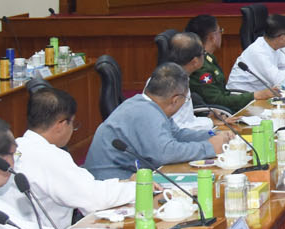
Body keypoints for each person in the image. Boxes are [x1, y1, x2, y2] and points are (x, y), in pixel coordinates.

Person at [83, 63, 234, 179]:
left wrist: (211, 135)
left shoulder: (148, 105)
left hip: (129, 177)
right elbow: (165, 153)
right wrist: (208, 147)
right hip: (112, 183)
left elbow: (177, 134)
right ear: (175, 100)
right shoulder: (145, 112)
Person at [14, 84, 136, 224]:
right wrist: (140, 187)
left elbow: (84, 187)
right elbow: (94, 199)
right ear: (61, 124)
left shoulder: (15, 147)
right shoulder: (50, 157)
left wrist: (125, 183)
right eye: (73, 123)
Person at [185, 13, 275, 112]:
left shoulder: (208, 59)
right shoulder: (200, 66)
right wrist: (256, 95)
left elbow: (222, 94)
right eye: (220, 31)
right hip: (216, 114)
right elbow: (217, 101)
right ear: (212, 37)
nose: (221, 34)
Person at [228, 13, 285, 92]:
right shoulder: (258, 52)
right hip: (241, 96)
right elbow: (277, 79)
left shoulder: (272, 47)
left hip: (259, 93)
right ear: (282, 38)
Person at [157, 29, 214, 132]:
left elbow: (187, 120)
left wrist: (210, 121)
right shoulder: (174, 86)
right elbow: (178, 128)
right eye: (203, 53)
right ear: (195, 62)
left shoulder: (174, 77)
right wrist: (211, 123)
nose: (205, 55)